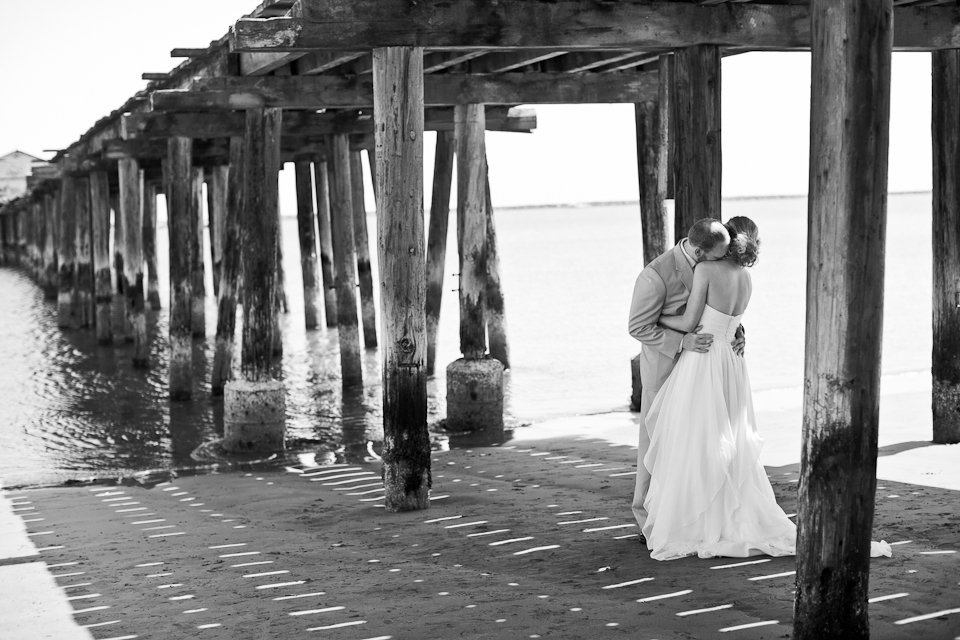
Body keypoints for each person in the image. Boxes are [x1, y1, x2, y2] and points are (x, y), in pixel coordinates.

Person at [637, 217, 890, 561]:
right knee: (725, 438)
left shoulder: (706, 271)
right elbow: (727, 319)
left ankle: (691, 521)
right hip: (731, 362)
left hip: (704, 360)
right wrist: (733, 333)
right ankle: (716, 513)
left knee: (691, 438)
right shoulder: (745, 278)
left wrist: (664, 322)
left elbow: (688, 322)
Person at [627, 218, 743, 535]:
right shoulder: (654, 276)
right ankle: (646, 519)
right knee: (655, 447)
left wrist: (735, 331)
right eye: (717, 256)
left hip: (700, 371)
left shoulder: (711, 263)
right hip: (664, 371)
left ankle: (691, 516)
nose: (722, 261)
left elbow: (716, 305)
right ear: (697, 249)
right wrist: (682, 341)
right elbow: (638, 327)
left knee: (695, 445)